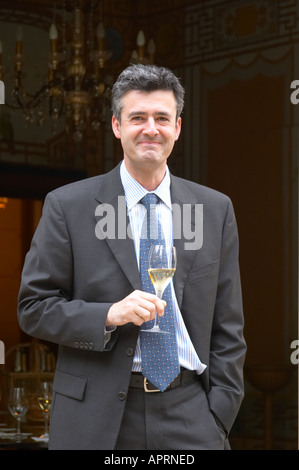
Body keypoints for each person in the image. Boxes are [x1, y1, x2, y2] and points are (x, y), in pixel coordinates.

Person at [17, 64, 246, 450]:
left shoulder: (214, 209)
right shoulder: (68, 206)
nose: (150, 128)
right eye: (137, 117)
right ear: (117, 126)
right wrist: (108, 315)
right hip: (94, 418)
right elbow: (33, 308)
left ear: (178, 127)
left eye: (161, 117)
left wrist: (219, 415)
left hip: (190, 415)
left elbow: (229, 326)